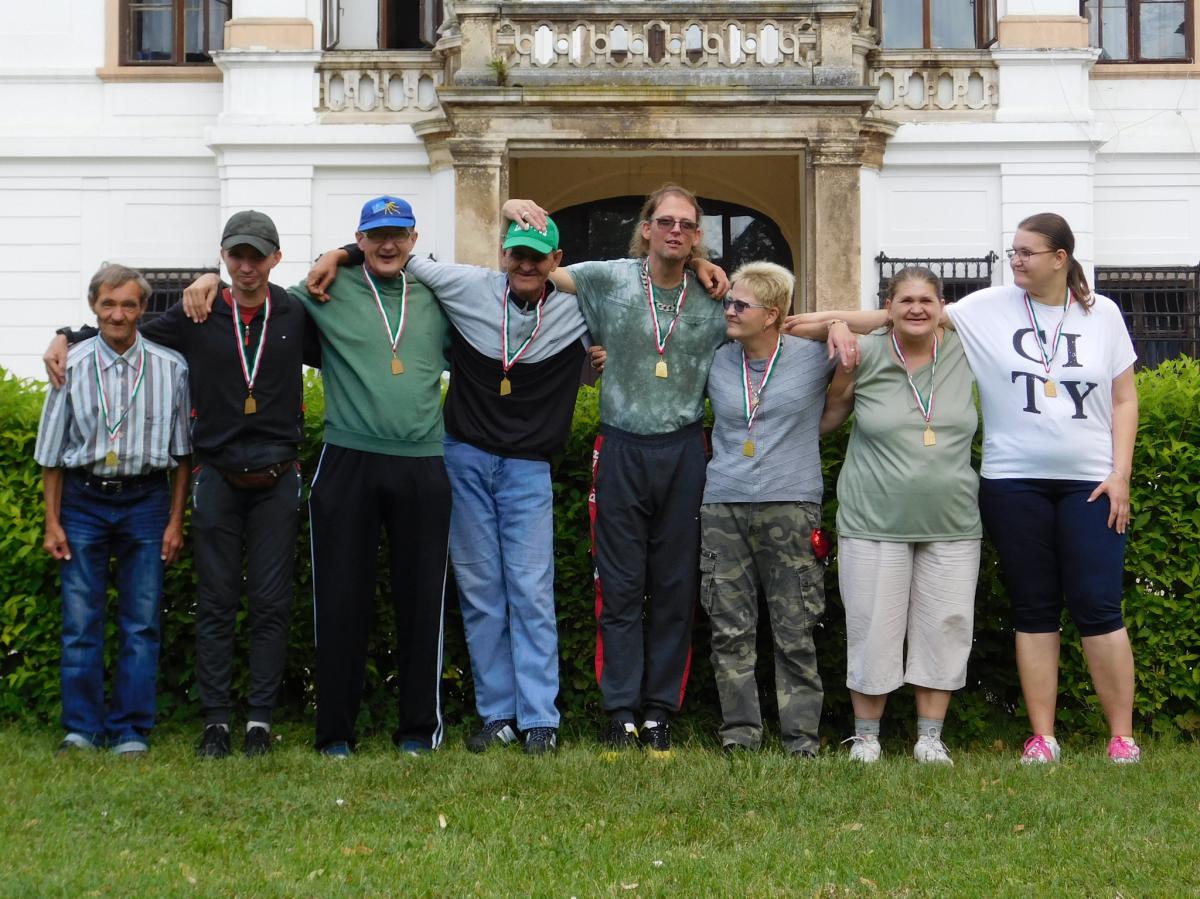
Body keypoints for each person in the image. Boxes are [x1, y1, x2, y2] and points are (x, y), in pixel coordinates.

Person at [305, 215, 589, 756]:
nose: (526, 265)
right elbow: (394, 253)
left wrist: (697, 265)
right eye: (517, 254)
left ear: (556, 262)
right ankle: (498, 715)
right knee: (480, 592)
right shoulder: (467, 284)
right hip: (464, 458)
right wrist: (338, 253)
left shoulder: (581, 307)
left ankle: (540, 719)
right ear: (503, 254)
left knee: (530, 590)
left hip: (527, 468)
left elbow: (643, 287)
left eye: (538, 257)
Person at [45, 211, 320, 759]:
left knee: (270, 604)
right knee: (215, 603)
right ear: (224, 255)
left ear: (276, 258)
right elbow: (125, 331)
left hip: (277, 478)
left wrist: (344, 253)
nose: (246, 265)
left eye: (257, 255)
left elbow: (358, 304)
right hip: (216, 477)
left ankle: (259, 721)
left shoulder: (296, 311)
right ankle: (216, 722)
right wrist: (67, 335)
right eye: (236, 255)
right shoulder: (198, 311)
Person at [184, 196, 452, 758]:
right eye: (374, 236)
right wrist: (209, 279)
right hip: (348, 459)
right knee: (339, 600)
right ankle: (335, 733)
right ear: (360, 238)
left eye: (398, 235)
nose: (387, 245)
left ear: (413, 238)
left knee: (423, 601)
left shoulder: (436, 293)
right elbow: (253, 299)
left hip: (423, 461)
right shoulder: (322, 290)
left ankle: (417, 730)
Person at [946, 213, 1140, 764]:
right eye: (1013, 251)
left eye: (1027, 252)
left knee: (1099, 606)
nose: (1016, 260)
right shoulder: (989, 306)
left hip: (1092, 485)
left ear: (1060, 258)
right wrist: (827, 323)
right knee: (1033, 608)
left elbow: (1125, 398)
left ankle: (1122, 737)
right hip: (1013, 483)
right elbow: (912, 316)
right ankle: (1042, 737)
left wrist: (1120, 474)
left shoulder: (1103, 314)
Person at [819, 267, 981, 765]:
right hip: (873, 519)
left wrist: (843, 321)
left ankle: (930, 738)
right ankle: (866, 737)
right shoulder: (865, 353)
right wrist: (838, 333)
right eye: (905, 300)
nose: (916, 308)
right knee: (872, 628)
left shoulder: (967, 348)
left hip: (952, 522)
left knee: (945, 627)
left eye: (926, 300)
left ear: (942, 307)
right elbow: (827, 418)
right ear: (886, 308)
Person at [35, 264, 191, 757]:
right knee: (80, 621)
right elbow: (51, 454)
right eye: (108, 304)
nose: (118, 314)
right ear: (94, 307)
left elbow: (184, 455)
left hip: (147, 502)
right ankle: (81, 729)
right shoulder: (70, 366)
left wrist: (175, 520)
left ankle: (130, 730)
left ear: (143, 308)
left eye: (128, 304)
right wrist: (52, 522)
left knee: (141, 622)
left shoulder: (171, 368)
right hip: (83, 501)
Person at [699, 262, 843, 758]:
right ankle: (740, 735)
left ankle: (801, 740)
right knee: (728, 626)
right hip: (724, 503)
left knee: (795, 626)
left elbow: (887, 326)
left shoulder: (812, 356)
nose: (730, 311)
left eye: (741, 305)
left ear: (773, 315)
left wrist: (838, 323)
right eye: (729, 302)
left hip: (791, 503)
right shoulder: (718, 359)